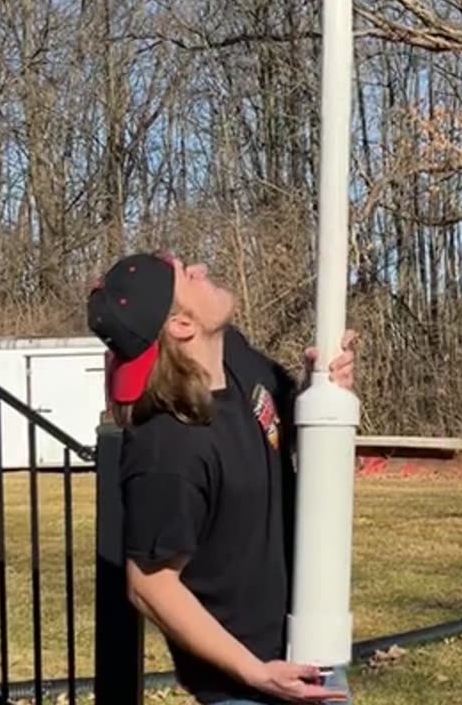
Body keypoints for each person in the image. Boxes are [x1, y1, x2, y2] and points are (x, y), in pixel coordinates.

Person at [87, 250, 355, 704]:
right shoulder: (167, 449)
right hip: (250, 685)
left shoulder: (238, 361)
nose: (202, 270)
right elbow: (149, 585)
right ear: (181, 325)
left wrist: (324, 389)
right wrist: (257, 674)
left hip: (309, 654)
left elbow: (286, 421)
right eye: (185, 277)